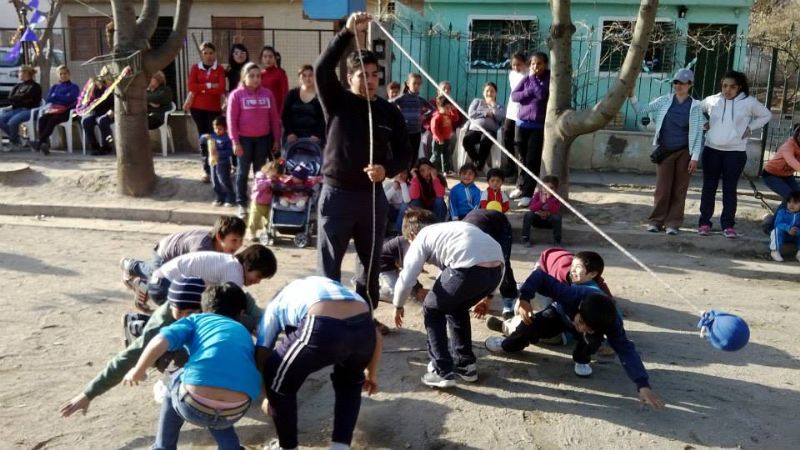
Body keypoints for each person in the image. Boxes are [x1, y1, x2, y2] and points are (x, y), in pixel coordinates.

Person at [314, 12, 413, 317]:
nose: (370, 81)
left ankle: (363, 319)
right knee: (329, 264)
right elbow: (321, 68)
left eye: (375, 75)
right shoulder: (336, 101)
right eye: (363, 75)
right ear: (350, 77)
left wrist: (387, 168)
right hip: (337, 196)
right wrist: (346, 33)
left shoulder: (388, 111)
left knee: (369, 265)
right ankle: (327, 318)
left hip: (372, 198)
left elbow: (405, 152)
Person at [484, 269, 665, 410]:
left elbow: (626, 350)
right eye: (581, 323)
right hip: (559, 313)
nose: (582, 328)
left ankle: (582, 359)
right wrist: (525, 298)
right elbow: (539, 276)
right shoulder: (572, 294)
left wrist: (642, 384)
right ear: (578, 309)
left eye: (588, 327)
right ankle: (508, 344)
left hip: (588, 327)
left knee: (592, 341)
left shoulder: (612, 322)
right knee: (529, 326)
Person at [124, 282, 261, 450]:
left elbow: (160, 340)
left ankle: (163, 446)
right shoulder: (243, 331)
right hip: (236, 409)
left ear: (203, 308)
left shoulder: (195, 320)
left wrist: (138, 370)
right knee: (218, 408)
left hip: (193, 405)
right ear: (241, 314)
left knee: (173, 380)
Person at [256, 276, 382, 450]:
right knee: (350, 384)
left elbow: (263, 350)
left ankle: (287, 447)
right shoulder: (333, 288)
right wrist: (371, 373)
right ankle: (340, 447)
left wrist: (269, 394)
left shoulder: (276, 304)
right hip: (363, 328)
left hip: (321, 325)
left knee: (275, 375)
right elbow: (377, 335)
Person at [58, 276, 210, 419]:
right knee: (162, 356)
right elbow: (128, 357)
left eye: (190, 312)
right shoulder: (163, 321)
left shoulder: (212, 310)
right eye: (180, 312)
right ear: (171, 306)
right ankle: (138, 331)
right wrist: (88, 394)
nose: (184, 317)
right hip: (169, 347)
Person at [393, 209, 504, 388]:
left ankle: (441, 370)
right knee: (455, 306)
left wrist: (398, 305)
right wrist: (490, 295)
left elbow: (407, 277)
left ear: (412, 234)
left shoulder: (421, 237)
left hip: (467, 266)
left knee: (432, 308)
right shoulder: (449, 229)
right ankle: (466, 365)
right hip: (496, 271)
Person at [629, 68, 705, 235]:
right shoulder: (664, 100)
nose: (678, 86)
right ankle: (656, 221)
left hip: (685, 152)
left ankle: (673, 223)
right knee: (662, 189)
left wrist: (695, 158)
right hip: (665, 150)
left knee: (679, 189)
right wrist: (632, 96)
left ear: (690, 84)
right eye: (676, 82)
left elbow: (699, 133)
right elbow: (642, 110)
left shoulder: (696, 106)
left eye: (683, 83)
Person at [698, 70, 772, 238]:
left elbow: (766, 115)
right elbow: (695, 109)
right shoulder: (712, 100)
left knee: (729, 189)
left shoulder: (748, 102)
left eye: (732, 87)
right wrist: (704, 123)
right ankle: (704, 223)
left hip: (735, 153)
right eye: (725, 86)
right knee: (708, 188)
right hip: (712, 150)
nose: (727, 90)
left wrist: (750, 128)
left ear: (739, 87)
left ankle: (728, 225)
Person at [145, 244, 277, 312]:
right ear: (248, 265)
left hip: (161, 281)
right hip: (165, 286)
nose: (258, 282)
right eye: (258, 276)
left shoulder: (231, 264)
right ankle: (138, 325)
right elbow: (231, 307)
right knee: (190, 322)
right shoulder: (235, 272)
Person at [120, 215, 246, 284]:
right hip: (164, 254)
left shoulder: (218, 246)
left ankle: (141, 282)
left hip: (176, 253)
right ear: (219, 236)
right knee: (157, 278)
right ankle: (131, 265)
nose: (238, 246)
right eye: (234, 240)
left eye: (241, 240)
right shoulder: (202, 249)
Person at [227, 62, 282, 218]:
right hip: (243, 140)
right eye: (251, 76)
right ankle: (241, 204)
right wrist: (235, 142)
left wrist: (276, 139)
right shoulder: (236, 95)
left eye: (258, 76)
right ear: (244, 77)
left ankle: (258, 202)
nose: (256, 79)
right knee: (242, 172)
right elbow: (231, 120)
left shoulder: (268, 94)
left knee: (260, 173)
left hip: (263, 140)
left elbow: (274, 119)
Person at [509, 52, 550, 208]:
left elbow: (540, 94)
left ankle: (528, 194)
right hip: (521, 124)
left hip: (536, 127)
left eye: (539, 64)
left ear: (545, 64)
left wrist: (532, 80)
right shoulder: (527, 79)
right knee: (522, 159)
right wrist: (527, 93)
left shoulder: (547, 78)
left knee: (532, 160)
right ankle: (520, 186)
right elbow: (515, 96)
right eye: (533, 64)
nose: (535, 67)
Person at [462, 208, 518, 320]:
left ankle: (509, 298)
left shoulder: (477, 244)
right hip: (477, 223)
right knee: (469, 269)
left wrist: (488, 299)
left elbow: (499, 266)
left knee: (503, 261)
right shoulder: (457, 248)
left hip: (499, 224)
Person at [186, 42, 226, 182]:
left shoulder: (219, 69)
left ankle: (216, 167)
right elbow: (191, 86)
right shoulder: (195, 68)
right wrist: (209, 86)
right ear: (202, 54)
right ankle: (206, 170)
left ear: (214, 54)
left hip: (214, 109)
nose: (208, 56)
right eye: (205, 53)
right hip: (197, 108)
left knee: (213, 139)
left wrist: (201, 88)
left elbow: (221, 88)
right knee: (202, 138)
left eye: (211, 53)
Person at [34, 65, 79, 155]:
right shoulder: (54, 87)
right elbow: (49, 99)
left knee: (52, 120)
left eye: (65, 73)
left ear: (69, 74)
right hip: (54, 109)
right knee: (42, 119)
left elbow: (71, 99)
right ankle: (44, 144)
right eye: (61, 74)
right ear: (58, 75)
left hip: (67, 111)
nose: (63, 76)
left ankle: (39, 142)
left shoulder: (74, 87)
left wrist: (57, 96)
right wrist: (63, 97)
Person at [463, 81, 506, 172]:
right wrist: (485, 113)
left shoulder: (499, 106)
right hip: (475, 129)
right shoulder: (477, 101)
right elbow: (471, 113)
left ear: (496, 93)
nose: (489, 93)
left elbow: (499, 118)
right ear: (483, 92)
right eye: (487, 91)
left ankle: (478, 167)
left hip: (490, 130)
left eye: (492, 91)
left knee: (485, 141)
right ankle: (478, 162)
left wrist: (493, 105)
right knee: (466, 140)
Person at [282, 64, 325, 146]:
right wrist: (290, 133)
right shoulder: (292, 94)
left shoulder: (320, 97)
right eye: (304, 76)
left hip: (313, 138)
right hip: (293, 137)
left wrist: (317, 135)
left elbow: (323, 119)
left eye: (310, 75)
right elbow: (285, 115)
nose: (307, 78)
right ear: (299, 79)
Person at [0, 64, 40, 152]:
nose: (19, 74)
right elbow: (10, 97)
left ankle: (14, 142)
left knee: (12, 122)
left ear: (26, 73)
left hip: (29, 110)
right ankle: (19, 140)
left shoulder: (34, 86)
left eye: (20, 72)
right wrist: (20, 98)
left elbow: (28, 97)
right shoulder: (18, 86)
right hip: (15, 109)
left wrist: (19, 98)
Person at [391, 72, 432, 157]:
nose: (417, 86)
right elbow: (388, 104)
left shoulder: (420, 100)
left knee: (414, 155)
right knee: (404, 155)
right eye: (414, 83)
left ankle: (412, 170)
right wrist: (397, 115)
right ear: (408, 84)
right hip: (405, 132)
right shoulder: (402, 98)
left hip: (416, 132)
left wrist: (424, 115)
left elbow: (432, 109)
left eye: (419, 84)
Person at [762, 123, 800, 207]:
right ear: (797, 135)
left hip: (787, 176)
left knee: (797, 197)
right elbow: (791, 161)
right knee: (790, 198)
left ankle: (792, 219)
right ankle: (776, 220)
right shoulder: (788, 146)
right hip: (771, 175)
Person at [502, 52, 527, 180]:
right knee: (507, 136)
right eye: (513, 65)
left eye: (519, 65)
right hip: (511, 110)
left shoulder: (529, 75)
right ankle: (510, 164)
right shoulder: (512, 75)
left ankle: (521, 169)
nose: (516, 68)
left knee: (519, 141)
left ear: (525, 63)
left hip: (523, 111)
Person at [201, 116, 235, 206]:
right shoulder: (213, 136)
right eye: (215, 128)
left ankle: (230, 197)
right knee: (214, 180)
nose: (217, 131)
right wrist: (205, 137)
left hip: (223, 162)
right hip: (213, 162)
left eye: (220, 129)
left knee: (224, 180)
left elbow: (230, 151)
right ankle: (220, 197)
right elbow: (201, 139)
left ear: (225, 128)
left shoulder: (227, 139)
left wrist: (219, 153)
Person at [521, 174, 562, 245]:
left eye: (551, 188)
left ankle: (557, 241)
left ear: (556, 189)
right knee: (528, 215)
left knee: (557, 217)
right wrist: (541, 202)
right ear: (542, 187)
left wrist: (548, 200)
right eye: (545, 188)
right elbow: (531, 208)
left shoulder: (556, 198)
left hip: (549, 222)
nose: (547, 190)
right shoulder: (537, 195)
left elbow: (555, 210)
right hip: (537, 220)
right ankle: (525, 238)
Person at [248, 160, 282, 242]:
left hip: (269, 203)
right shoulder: (260, 176)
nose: (274, 176)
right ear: (268, 170)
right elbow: (259, 186)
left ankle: (268, 232)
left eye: (275, 175)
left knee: (270, 219)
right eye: (273, 174)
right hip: (258, 202)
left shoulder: (275, 179)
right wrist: (269, 181)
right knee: (254, 219)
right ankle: (252, 233)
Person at [409, 158, 447, 222]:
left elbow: (440, 195)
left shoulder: (438, 178)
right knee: (414, 202)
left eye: (429, 169)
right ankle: (418, 225)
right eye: (422, 171)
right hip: (422, 207)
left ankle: (439, 225)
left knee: (439, 201)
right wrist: (415, 178)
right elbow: (414, 196)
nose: (426, 172)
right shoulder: (415, 180)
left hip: (435, 208)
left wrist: (435, 178)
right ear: (418, 172)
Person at [769, 190, 800, 262]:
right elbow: (778, 224)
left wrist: (796, 230)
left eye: (795, 203)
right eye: (789, 202)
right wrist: (788, 228)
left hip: (796, 235)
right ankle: (774, 251)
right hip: (783, 235)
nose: (791, 205)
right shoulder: (782, 212)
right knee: (776, 231)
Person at [260, 45, 289, 114]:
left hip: (276, 111)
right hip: (262, 111)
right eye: (265, 56)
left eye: (270, 56)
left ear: (275, 58)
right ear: (261, 58)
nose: (268, 59)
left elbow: (285, 94)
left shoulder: (281, 73)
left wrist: (282, 113)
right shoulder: (258, 74)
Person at [430, 95, 456, 174]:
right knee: (436, 156)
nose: (448, 109)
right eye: (446, 108)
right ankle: (428, 168)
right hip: (438, 140)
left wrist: (454, 110)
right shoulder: (437, 116)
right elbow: (434, 128)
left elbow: (455, 118)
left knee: (446, 155)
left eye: (449, 107)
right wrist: (439, 138)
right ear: (439, 107)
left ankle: (446, 170)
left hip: (446, 139)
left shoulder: (448, 115)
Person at [383, 169, 411, 235]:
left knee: (405, 205)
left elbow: (407, 201)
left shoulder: (409, 186)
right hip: (392, 212)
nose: (400, 175)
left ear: (407, 175)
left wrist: (403, 185)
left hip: (404, 213)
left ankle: (397, 230)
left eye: (404, 173)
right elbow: (384, 199)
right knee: (384, 204)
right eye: (397, 173)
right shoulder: (388, 185)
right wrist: (394, 188)